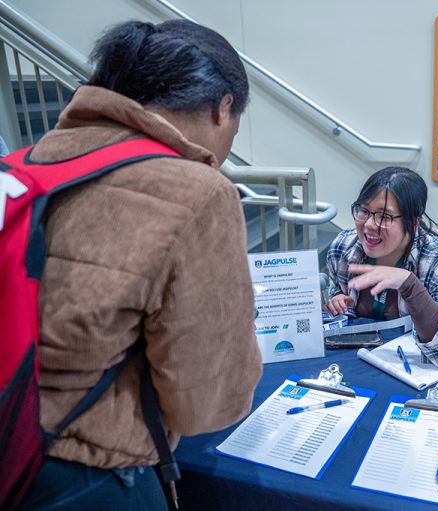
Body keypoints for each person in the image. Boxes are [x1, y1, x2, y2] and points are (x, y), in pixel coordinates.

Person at [18, 20, 263, 510]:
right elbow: (204, 404)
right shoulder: (198, 192)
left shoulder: (28, 164)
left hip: (13, 441)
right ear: (223, 108)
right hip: (89, 477)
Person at [325, 167, 438, 367]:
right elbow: (338, 317)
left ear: (414, 222)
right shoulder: (343, 246)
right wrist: (337, 304)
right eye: (364, 211)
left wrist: (409, 284)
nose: (368, 225)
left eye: (384, 217)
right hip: (357, 362)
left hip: (413, 368)